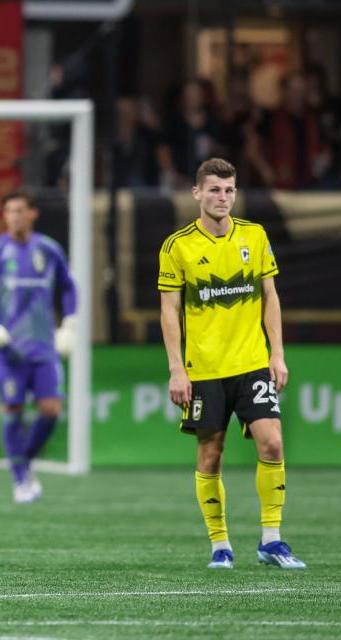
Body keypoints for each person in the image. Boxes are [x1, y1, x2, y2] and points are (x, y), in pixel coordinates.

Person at [158, 157, 305, 570]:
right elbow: (169, 312)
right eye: (214, 190)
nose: (222, 198)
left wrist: (277, 352)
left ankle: (272, 540)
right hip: (204, 368)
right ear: (197, 193)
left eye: (229, 190)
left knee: (273, 442)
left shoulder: (255, 236)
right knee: (211, 453)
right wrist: (176, 368)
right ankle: (220, 544)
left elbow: (270, 296)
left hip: (252, 362)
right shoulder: (177, 246)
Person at [0, 188, 77, 504]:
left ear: (33, 213)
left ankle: (24, 461)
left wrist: (70, 324)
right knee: (13, 408)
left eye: (21, 210)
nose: (15, 217)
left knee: (51, 410)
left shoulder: (49, 250)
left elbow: (69, 288)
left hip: (44, 346)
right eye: (9, 211)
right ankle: (20, 478)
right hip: (8, 349)